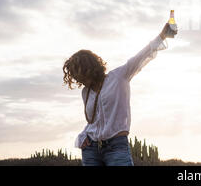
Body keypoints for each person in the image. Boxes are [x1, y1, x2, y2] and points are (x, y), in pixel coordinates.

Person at [62, 23, 177, 166]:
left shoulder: (118, 77)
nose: (78, 79)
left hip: (116, 147)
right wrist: (82, 137)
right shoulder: (85, 92)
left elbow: (141, 56)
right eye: (75, 76)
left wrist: (162, 36)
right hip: (90, 148)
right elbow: (94, 121)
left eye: (79, 74)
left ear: (89, 69)